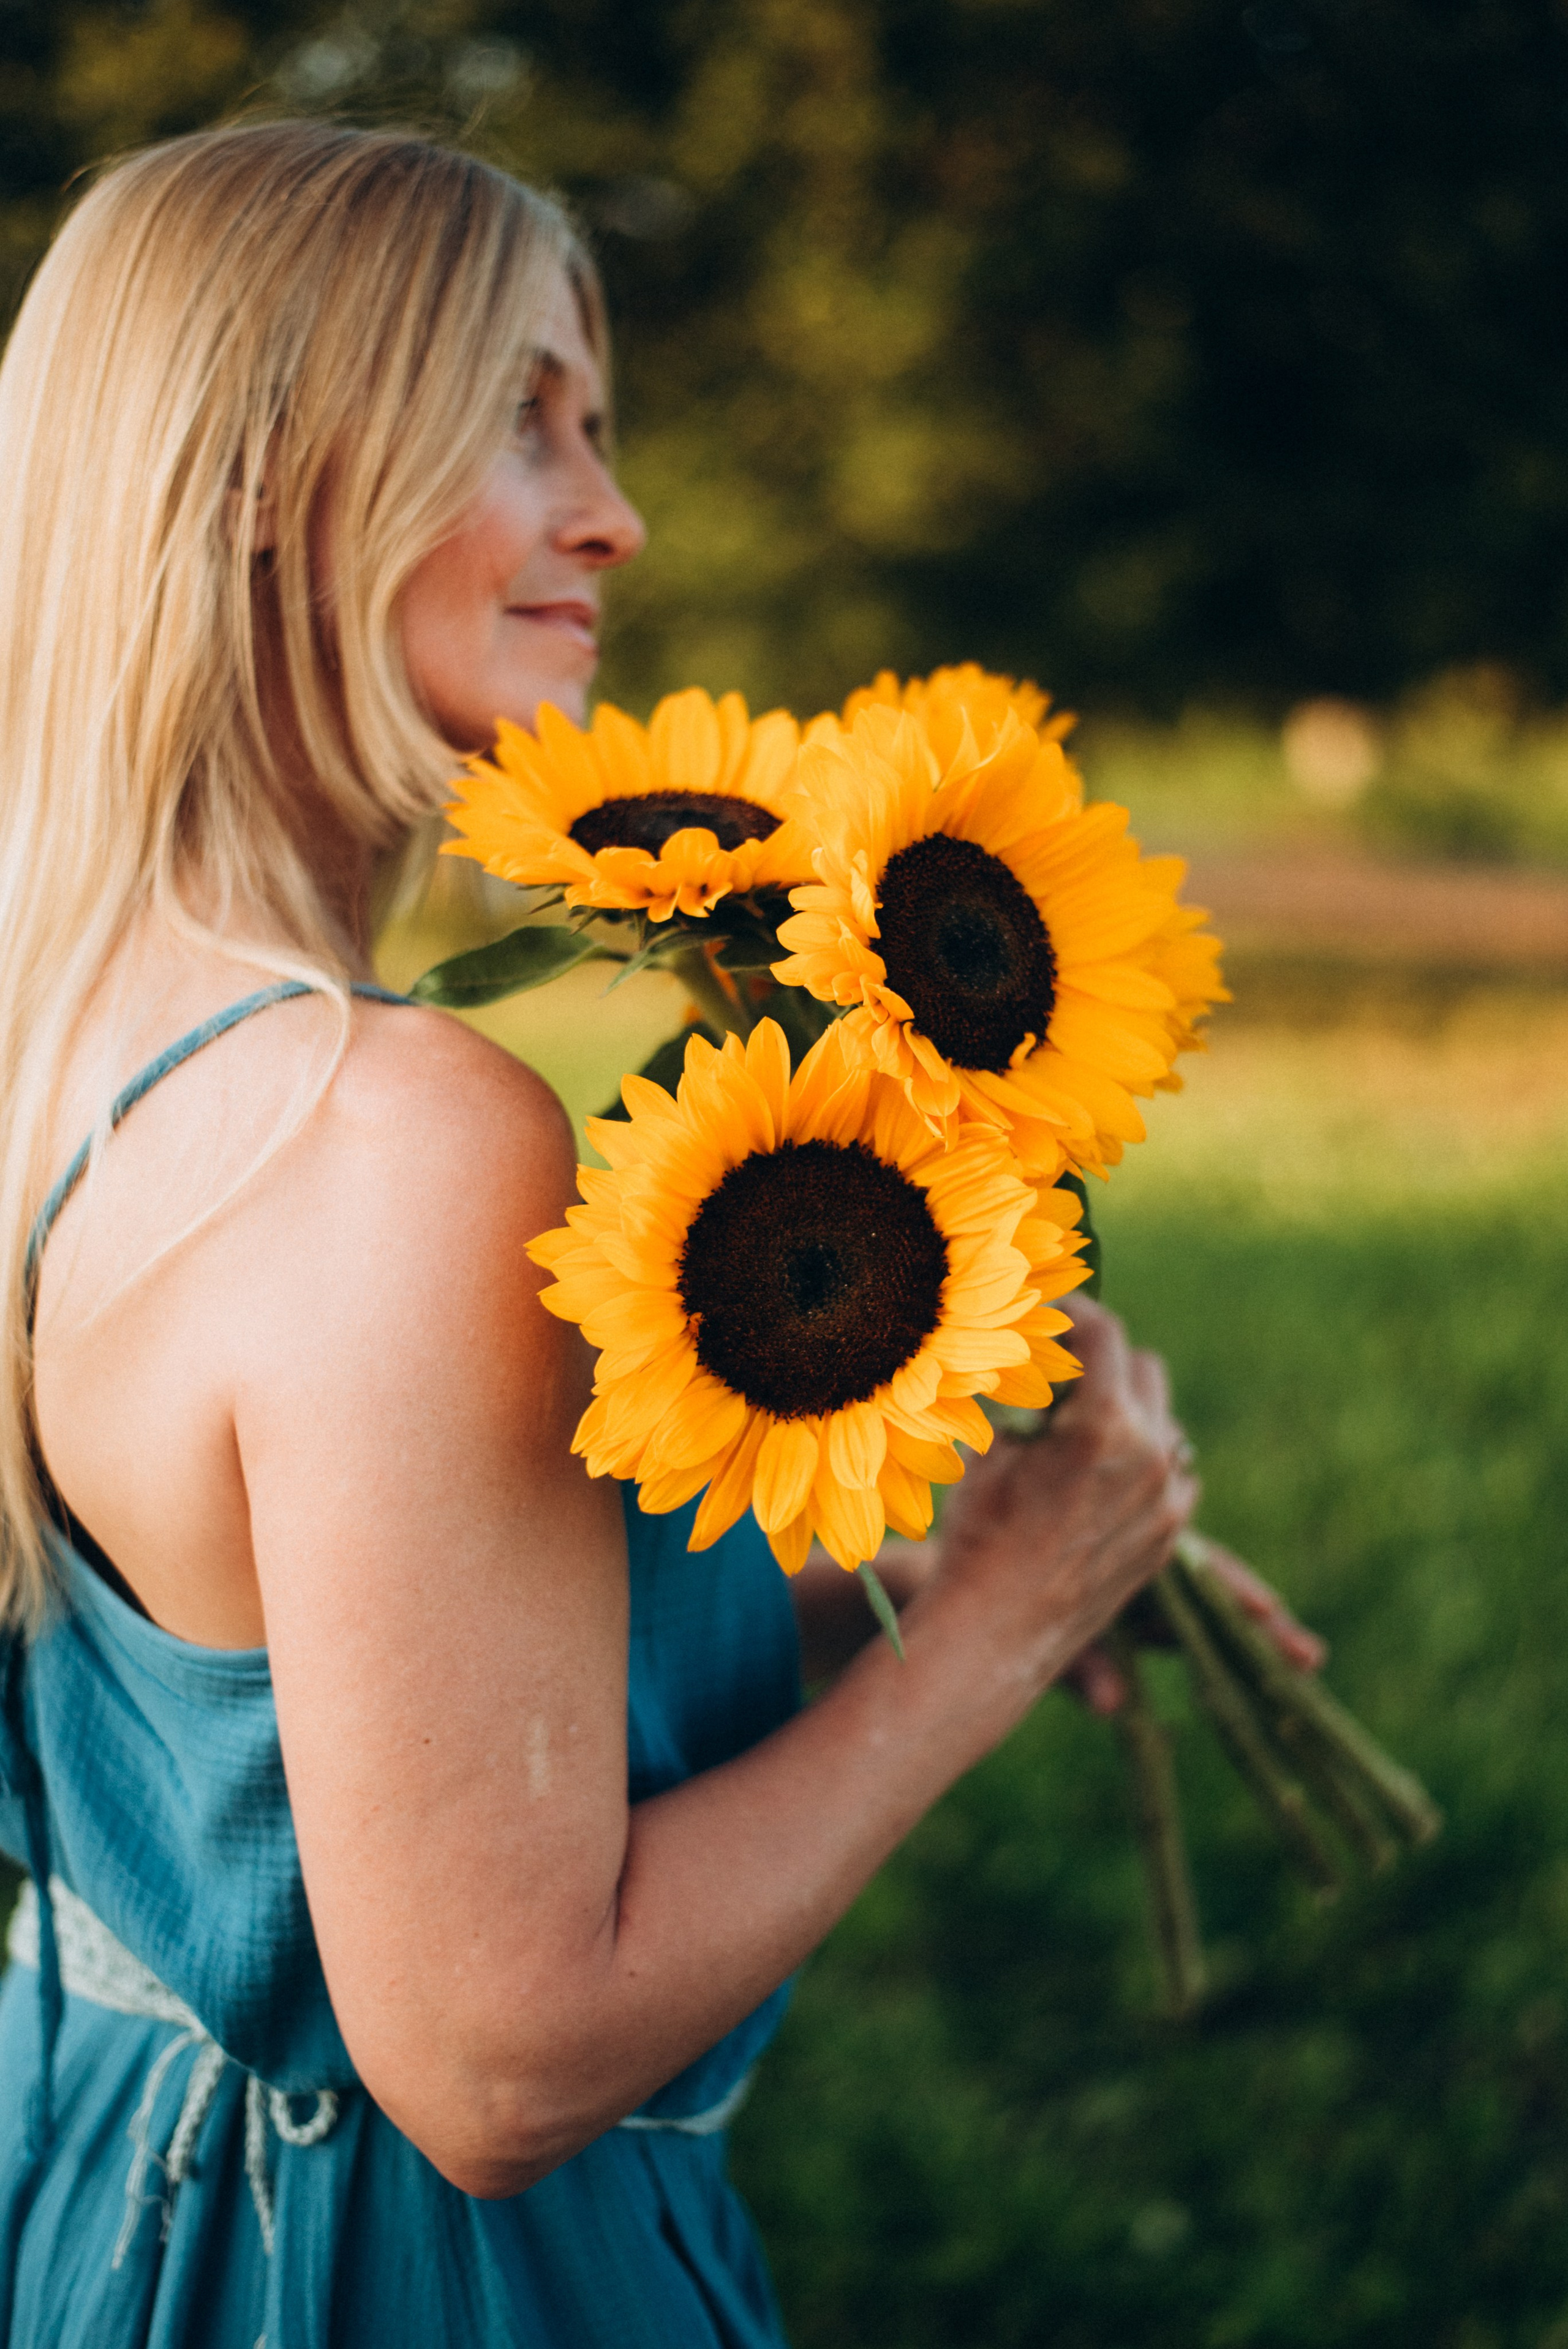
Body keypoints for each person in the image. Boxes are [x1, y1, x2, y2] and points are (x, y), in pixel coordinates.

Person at [0, 120, 1310, 2348]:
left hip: (122, 2206)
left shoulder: (87, 1035)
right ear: (249, 474)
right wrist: (1000, 1619)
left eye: (593, 428)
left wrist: (862, 1588)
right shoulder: (392, 1135)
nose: (615, 515)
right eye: (520, 421)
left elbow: (315, 1747)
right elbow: (502, 2050)